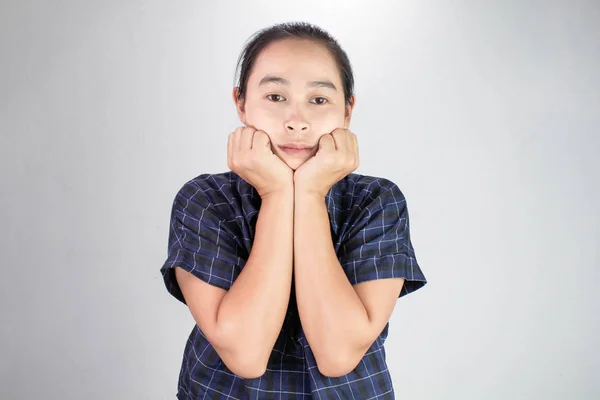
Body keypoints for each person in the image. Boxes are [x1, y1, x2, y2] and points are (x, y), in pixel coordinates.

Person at [160, 21, 427, 399]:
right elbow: (246, 355)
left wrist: (310, 195)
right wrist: (276, 194)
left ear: (347, 110)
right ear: (241, 103)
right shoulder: (204, 199)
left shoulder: (376, 201)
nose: (297, 121)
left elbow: (338, 355)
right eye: (275, 97)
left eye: (319, 100)